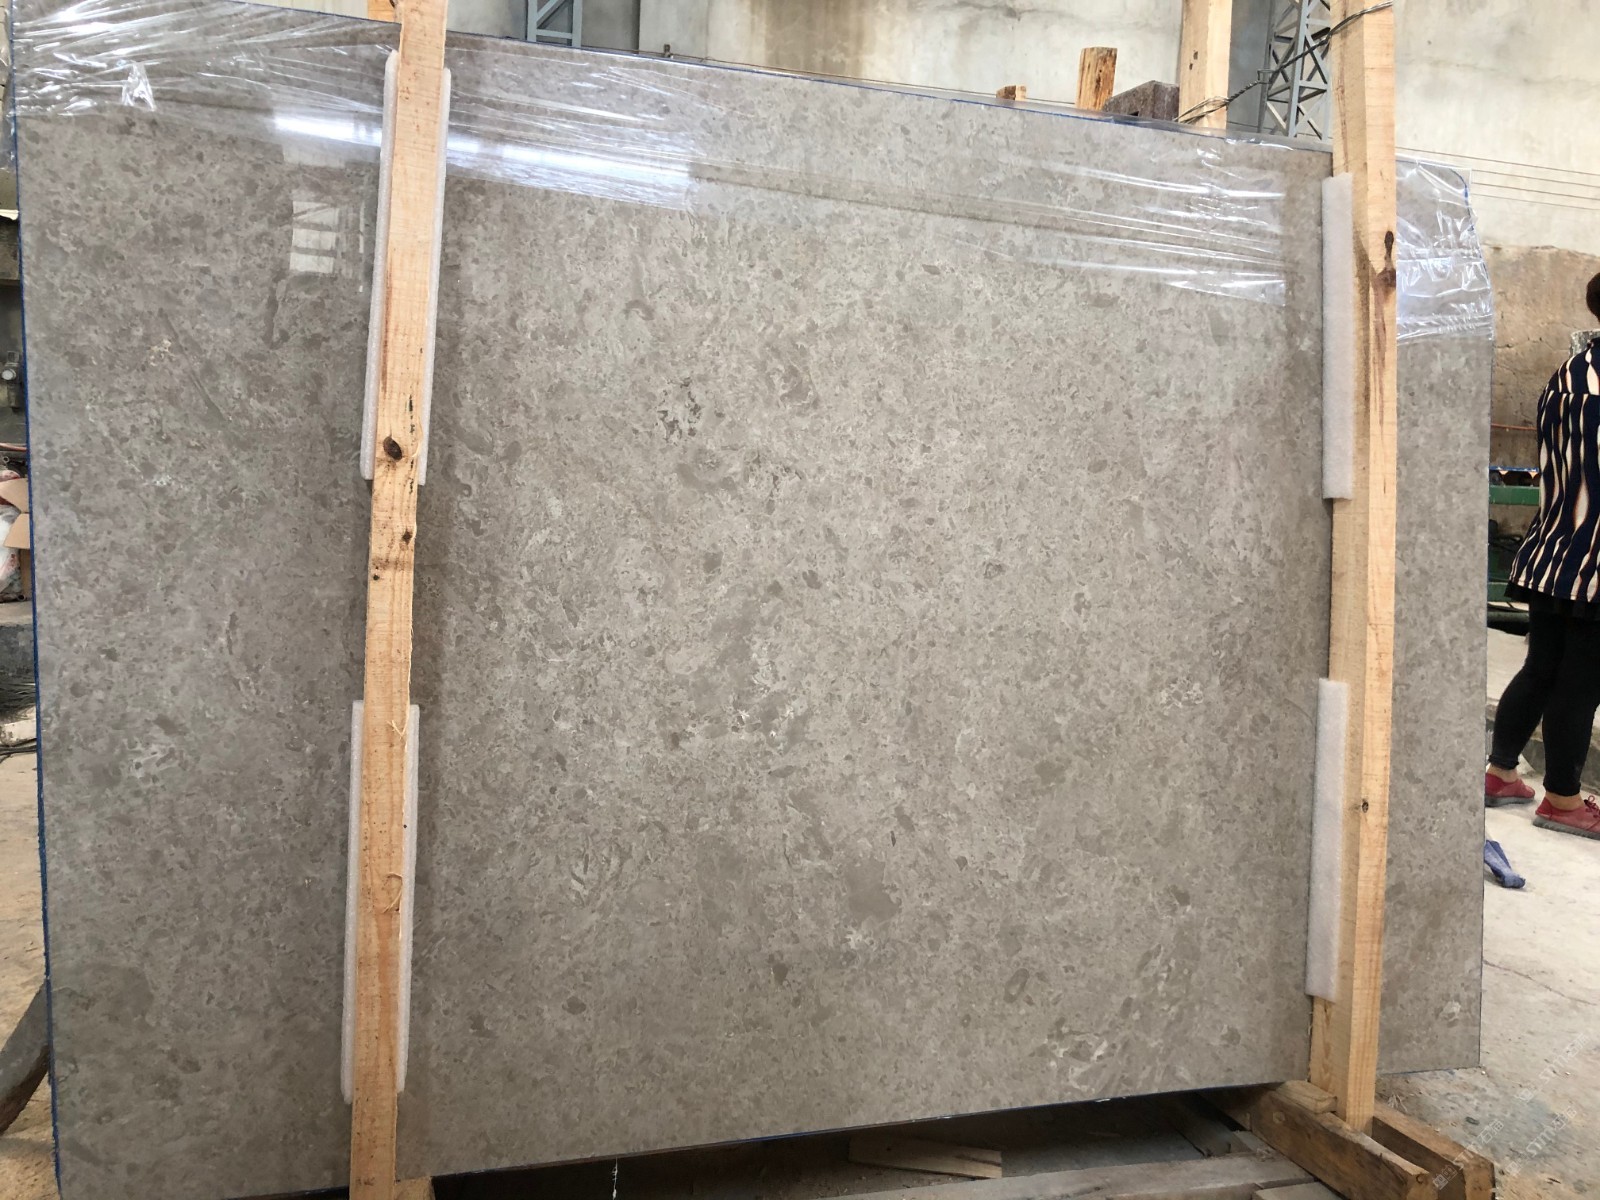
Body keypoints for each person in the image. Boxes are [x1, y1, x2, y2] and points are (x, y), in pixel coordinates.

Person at [1485, 271, 1600, 839]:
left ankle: (1501, 771)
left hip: (1552, 549)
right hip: (1595, 562)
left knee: (1542, 667)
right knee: (1581, 683)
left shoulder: (1569, 372)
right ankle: (1562, 799)